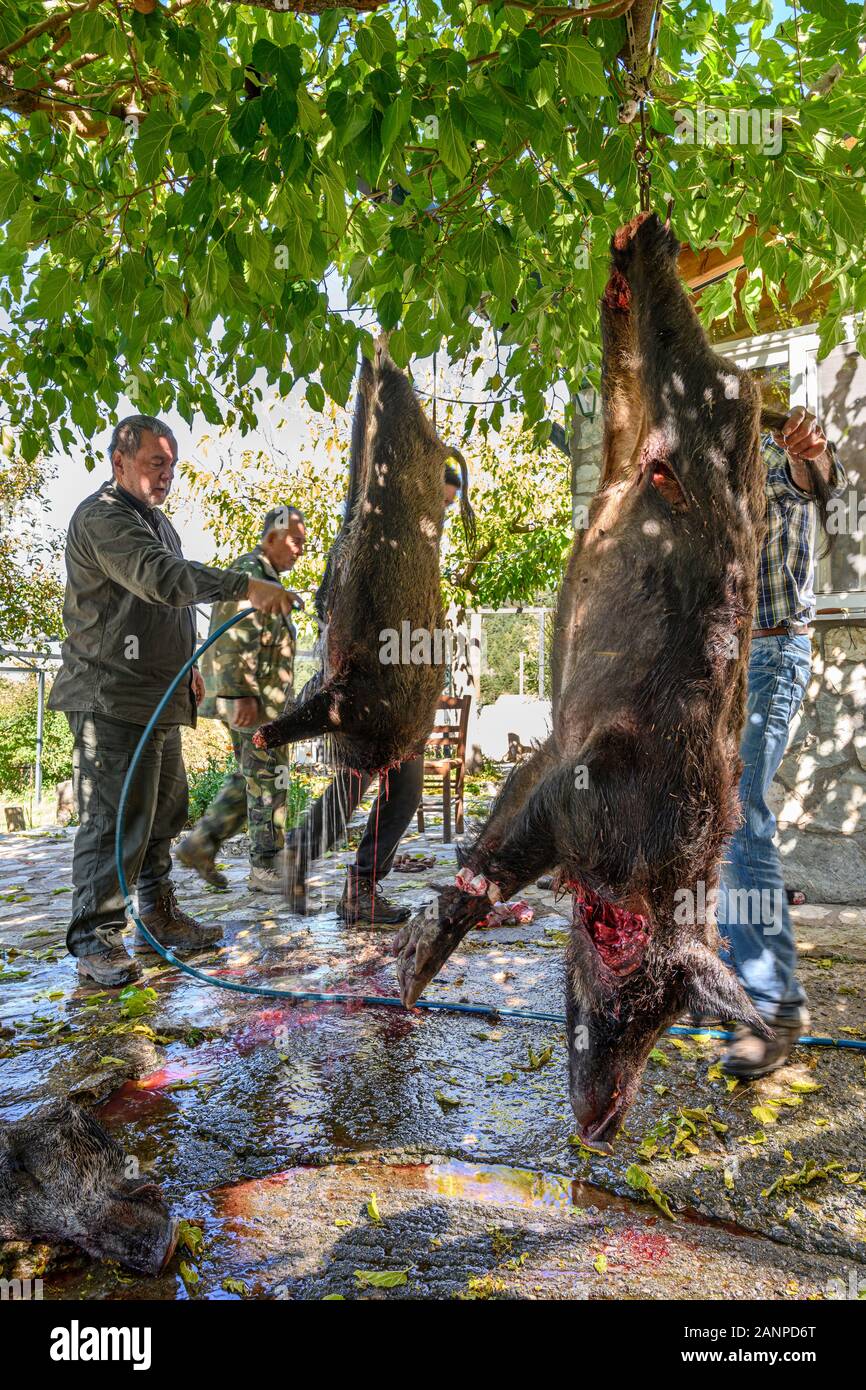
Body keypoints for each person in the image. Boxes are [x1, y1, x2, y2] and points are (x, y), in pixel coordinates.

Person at [49, 414, 300, 988]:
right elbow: (160, 579)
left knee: (163, 811)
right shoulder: (102, 516)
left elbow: (167, 609)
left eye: (172, 465)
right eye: (155, 463)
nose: (166, 475)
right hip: (111, 696)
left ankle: (158, 914)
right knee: (114, 819)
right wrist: (245, 585)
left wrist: (189, 668)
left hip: (158, 694)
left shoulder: (157, 522)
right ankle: (95, 938)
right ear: (120, 462)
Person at [718, 406, 847, 1078]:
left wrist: (809, 449)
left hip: (770, 655)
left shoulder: (777, 449)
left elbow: (817, 474)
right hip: (721, 662)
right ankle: (734, 975)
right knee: (715, 817)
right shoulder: (712, 462)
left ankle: (774, 1006)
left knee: (741, 816)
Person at [283, 465, 463, 926]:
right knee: (365, 779)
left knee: (398, 788)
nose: (443, 513)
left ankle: (352, 883)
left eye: (448, 506)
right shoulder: (375, 536)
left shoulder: (423, 550)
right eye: (439, 502)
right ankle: (315, 860)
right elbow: (329, 601)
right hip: (369, 687)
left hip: (406, 694)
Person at [178, 506, 306, 893]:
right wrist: (241, 694)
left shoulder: (264, 577)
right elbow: (232, 640)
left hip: (260, 700)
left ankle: (201, 844)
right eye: (294, 541)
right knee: (269, 779)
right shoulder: (252, 574)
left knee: (252, 775)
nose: (300, 550)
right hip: (253, 702)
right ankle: (266, 867)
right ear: (272, 538)